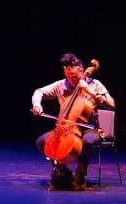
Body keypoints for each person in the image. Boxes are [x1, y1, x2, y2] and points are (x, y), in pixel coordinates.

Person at [30, 52, 116, 190]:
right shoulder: (61, 85)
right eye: (68, 76)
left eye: (74, 76)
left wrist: (89, 91)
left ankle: (80, 175)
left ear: (81, 71)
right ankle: (63, 172)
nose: (71, 80)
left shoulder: (95, 85)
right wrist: (37, 105)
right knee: (42, 141)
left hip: (89, 129)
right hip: (65, 128)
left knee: (87, 141)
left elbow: (112, 104)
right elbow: (39, 91)